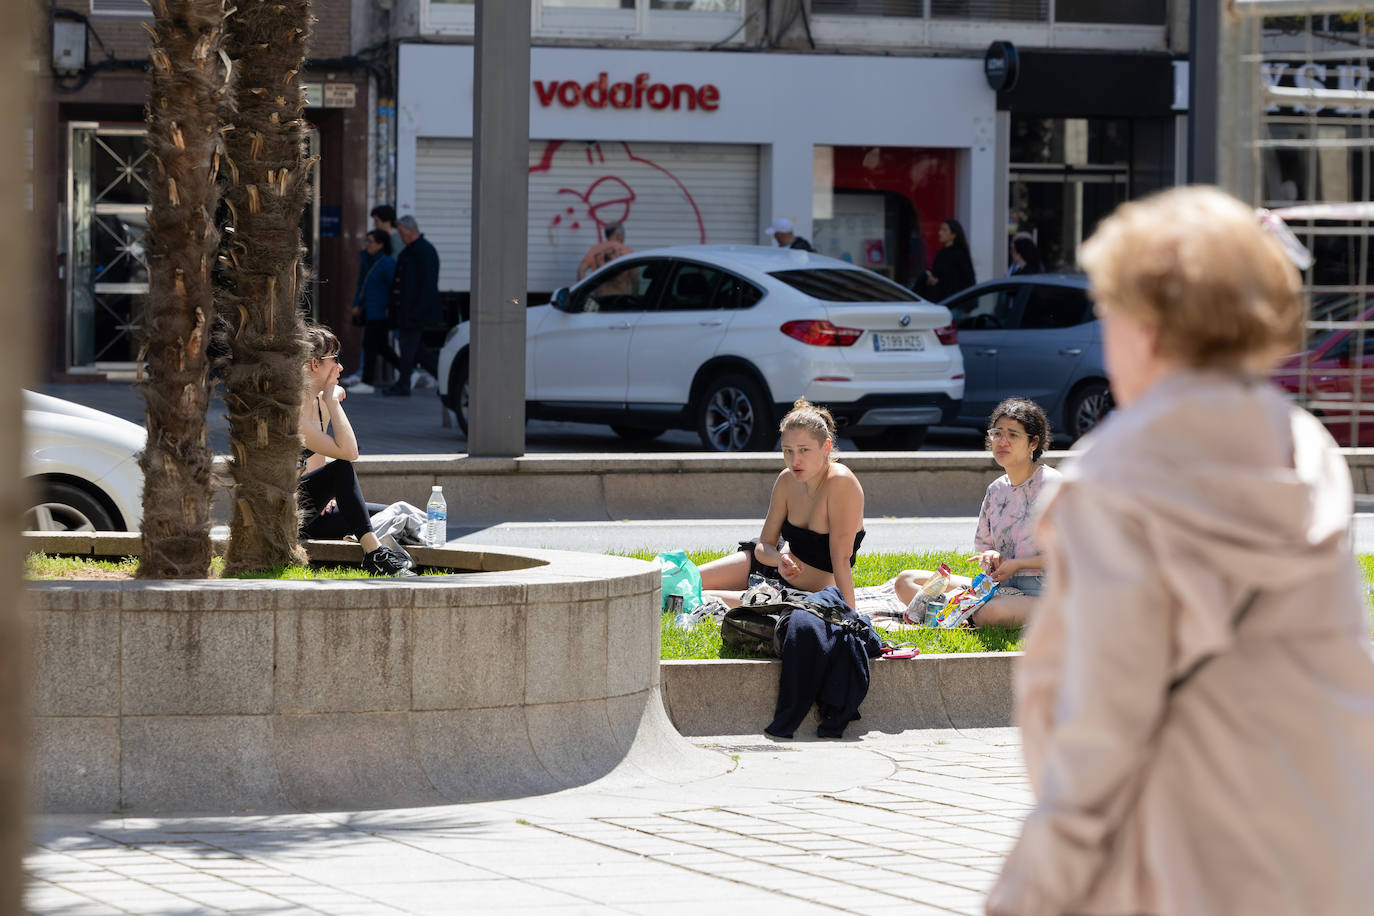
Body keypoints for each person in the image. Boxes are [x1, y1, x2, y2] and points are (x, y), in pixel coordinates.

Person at [985, 186, 1374, 915]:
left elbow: (1100, 720)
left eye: (1111, 310)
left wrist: (1037, 884)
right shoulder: (1306, 446)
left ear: (1152, 326)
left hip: (1188, 850)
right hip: (1328, 835)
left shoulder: (1117, 479)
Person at [889, 397, 1058, 628]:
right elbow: (985, 549)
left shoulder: (1054, 486)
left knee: (990, 612)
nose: (1002, 441)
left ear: (1033, 443)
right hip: (996, 588)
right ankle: (958, 613)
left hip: (1047, 595)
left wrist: (1017, 564)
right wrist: (991, 557)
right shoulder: (996, 490)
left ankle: (955, 613)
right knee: (905, 581)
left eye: (1013, 435)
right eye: (997, 433)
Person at [697, 398, 865, 611]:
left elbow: (840, 558)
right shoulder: (787, 480)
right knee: (686, 581)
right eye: (788, 451)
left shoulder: (841, 482)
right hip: (772, 566)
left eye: (804, 450)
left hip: (802, 594)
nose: (795, 461)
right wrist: (779, 559)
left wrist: (852, 616)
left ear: (826, 447)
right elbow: (763, 547)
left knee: (700, 597)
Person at [298, 324, 415, 577]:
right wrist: (332, 399)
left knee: (388, 514)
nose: (340, 368)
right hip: (287, 516)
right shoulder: (294, 414)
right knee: (342, 469)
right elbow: (349, 453)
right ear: (314, 364)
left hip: (311, 511)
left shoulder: (319, 406)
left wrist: (324, 495)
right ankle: (375, 556)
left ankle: (387, 553)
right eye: (334, 360)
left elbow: (320, 458)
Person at [381, 215, 443, 397]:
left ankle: (404, 384)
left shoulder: (424, 251)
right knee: (415, 351)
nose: (400, 236)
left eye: (401, 232)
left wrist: (417, 310)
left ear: (410, 230)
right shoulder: (409, 252)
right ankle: (445, 377)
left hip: (415, 311)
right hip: (407, 311)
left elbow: (428, 285)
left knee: (410, 348)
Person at [348, 229, 398, 394]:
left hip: (380, 311)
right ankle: (407, 371)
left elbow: (394, 289)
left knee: (370, 345)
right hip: (369, 310)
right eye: (367, 241)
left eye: (371, 241)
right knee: (381, 347)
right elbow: (361, 285)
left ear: (381, 244)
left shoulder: (387, 263)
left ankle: (368, 382)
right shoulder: (367, 260)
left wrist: (390, 309)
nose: (368, 244)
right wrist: (357, 304)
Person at [923, 217, 975, 302]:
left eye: (944, 230)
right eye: (940, 230)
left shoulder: (960, 254)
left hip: (955, 302)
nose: (940, 233)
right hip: (940, 301)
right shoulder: (941, 253)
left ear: (953, 234)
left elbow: (968, 280)